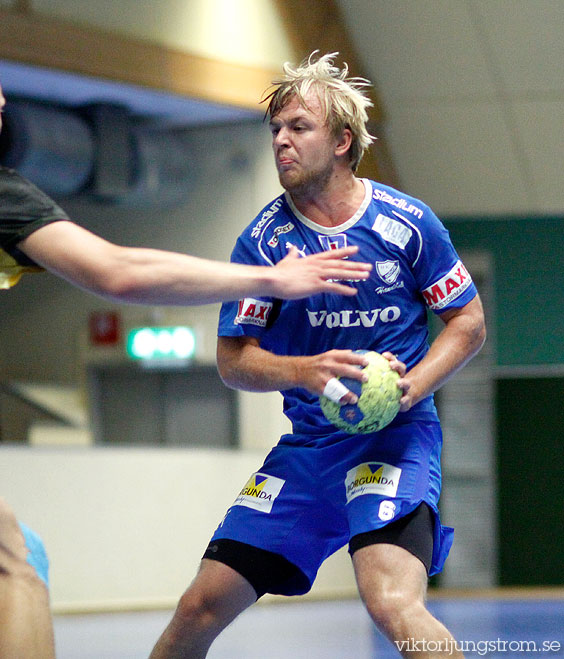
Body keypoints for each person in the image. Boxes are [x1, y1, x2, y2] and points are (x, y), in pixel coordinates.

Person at [0, 41, 373, 659]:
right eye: (1, 111)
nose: (0, 124)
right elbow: (119, 271)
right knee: (16, 561)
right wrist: (273, 279)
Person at [150, 52, 486, 659]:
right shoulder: (263, 243)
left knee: (392, 603)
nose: (281, 140)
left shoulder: (407, 225)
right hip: (309, 451)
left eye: (298, 127)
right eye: (275, 128)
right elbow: (233, 360)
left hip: (396, 440)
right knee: (199, 607)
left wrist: (412, 388)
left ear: (341, 141)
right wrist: (303, 372)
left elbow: (467, 322)